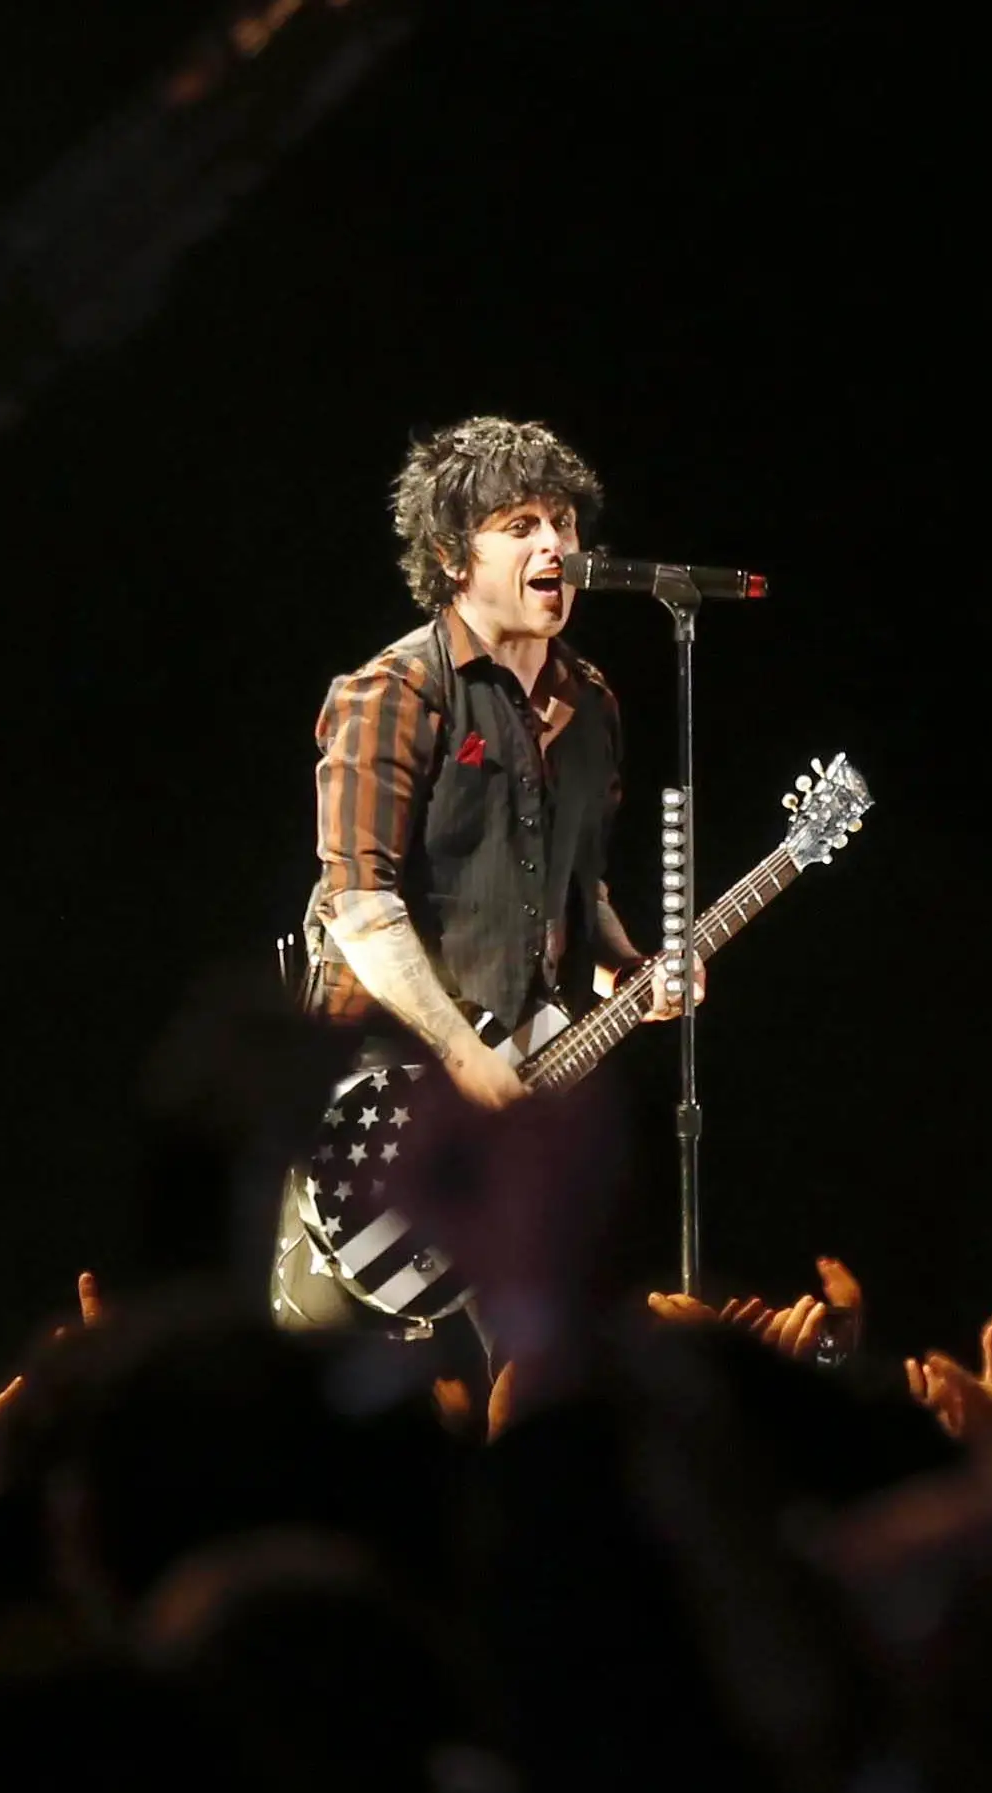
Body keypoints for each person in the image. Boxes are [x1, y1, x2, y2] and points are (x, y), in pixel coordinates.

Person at [272, 416, 690, 1341]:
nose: (555, 545)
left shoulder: (593, 704)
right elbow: (361, 906)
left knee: (543, 1389)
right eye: (520, 525)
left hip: (518, 1093)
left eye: (565, 524)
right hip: (379, 1109)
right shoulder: (398, 690)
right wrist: (466, 1063)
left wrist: (625, 965)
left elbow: (581, 884)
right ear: (453, 557)